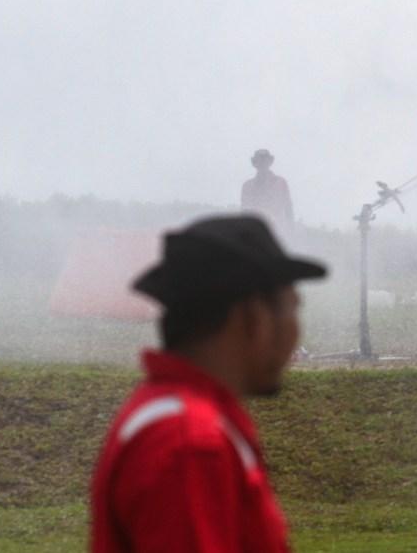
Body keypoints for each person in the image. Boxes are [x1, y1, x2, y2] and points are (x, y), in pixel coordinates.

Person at [90, 215, 327, 552]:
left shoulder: (173, 417)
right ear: (252, 316)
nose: (295, 332)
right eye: (291, 310)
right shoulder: (190, 444)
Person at [241, 149, 294, 232]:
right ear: (255, 163)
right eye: (260, 161)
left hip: (278, 231)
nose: (262, 164)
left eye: (265, 160)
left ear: (269, 163)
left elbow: (288, 207)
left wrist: (291, 228)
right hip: (255, 231)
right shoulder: (247, 186)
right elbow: (245, 211)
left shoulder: (280, 183)